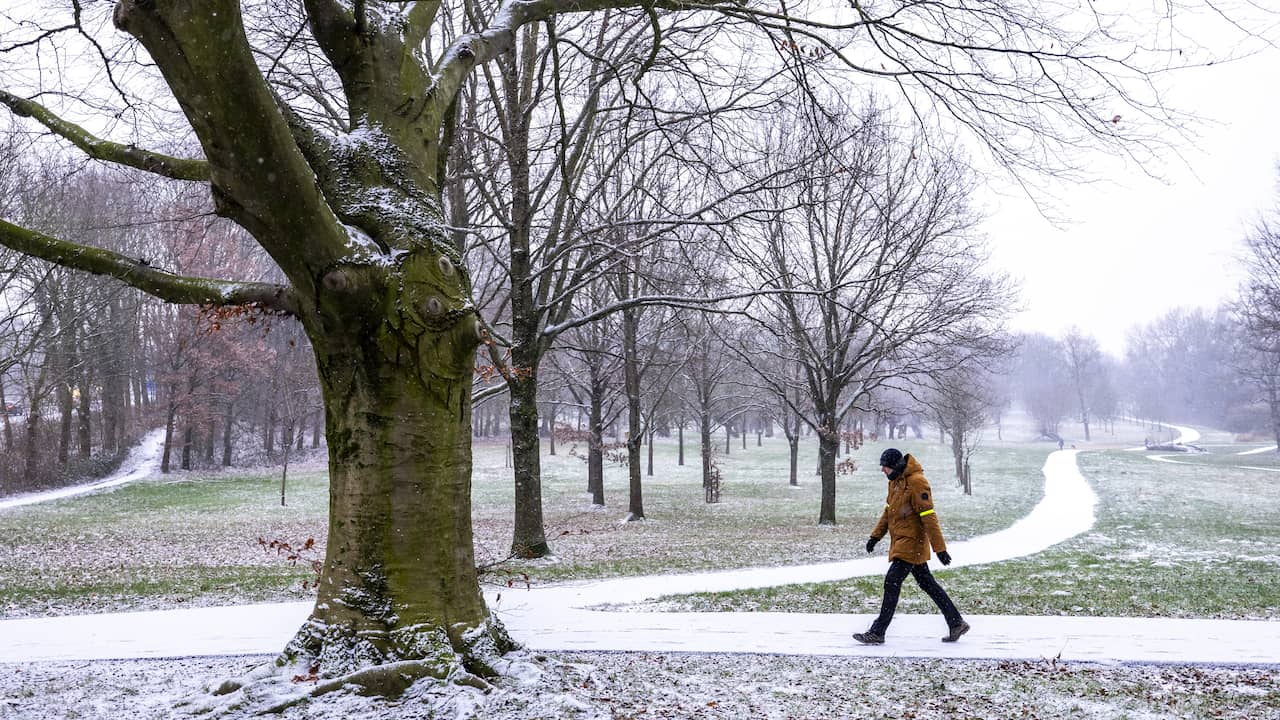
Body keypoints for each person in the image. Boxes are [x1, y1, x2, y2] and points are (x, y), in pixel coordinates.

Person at [852, 448, 970, 645]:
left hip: (912, 543)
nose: (883, 470)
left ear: (896, 466)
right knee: (927, 583)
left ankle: (877, 632)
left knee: (892, 581)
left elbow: (928, 516)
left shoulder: (917, 482)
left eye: (886, 467)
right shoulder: (895, 483)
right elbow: (888, 512)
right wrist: (875, 536)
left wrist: (939, 548)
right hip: (901, 541)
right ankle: (956, 622)